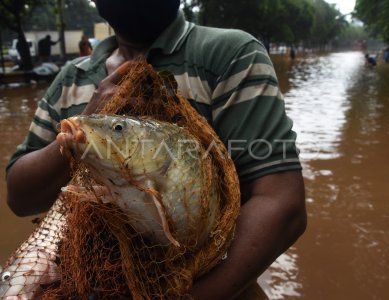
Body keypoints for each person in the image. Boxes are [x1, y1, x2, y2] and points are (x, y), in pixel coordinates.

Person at [5, 0, 307, 299]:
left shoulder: (231, 54)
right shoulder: (71, 77)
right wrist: (80, 133)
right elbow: (19, 197)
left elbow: (282, 203)